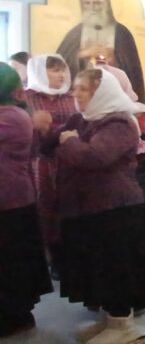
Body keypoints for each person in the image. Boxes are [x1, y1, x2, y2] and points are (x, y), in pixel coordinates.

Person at [44, 69, 145, 344]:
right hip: (89, 207)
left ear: (101, 92)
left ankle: (122, 324)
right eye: (76, 88)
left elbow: (94, 157)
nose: (75, 94)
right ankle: (109, 319)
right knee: (97, 266)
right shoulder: (82, 120)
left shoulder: (120, 122)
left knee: (114, 265)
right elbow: (50, 144)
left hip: (115, 208)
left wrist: (69, 141)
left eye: (83, 89)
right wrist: (60, 137)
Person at [98, 64, 145, 313]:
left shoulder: (139, 115)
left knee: (143, 244)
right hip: (126, 186)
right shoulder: (107, 115)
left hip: (140, 185)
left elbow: (140, 156)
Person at [0, 63, 51, 336]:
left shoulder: (14, 117)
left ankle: (15, 317)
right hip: (11, 199)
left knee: (12, 263)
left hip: (11, 201)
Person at [25, 55, 75, 270]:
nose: (61, 75)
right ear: (39, 72)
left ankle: (63, 258)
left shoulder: (71, 97)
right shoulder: (26, 98)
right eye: (55, 70)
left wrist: (56, 130)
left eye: (63, 70)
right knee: (42, 209)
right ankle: (44, 257)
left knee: (67, 208)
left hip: (67, 160)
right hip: (38, 162)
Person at [56, 0, 145, 102]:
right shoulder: (75, 33)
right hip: (80, 98)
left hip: (112, 98)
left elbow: (132, 70)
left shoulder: (121, 33)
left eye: (97, 3)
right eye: (87, 3)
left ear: (107, 5)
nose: (92, 8)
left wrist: (113, 58)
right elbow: (59, 64)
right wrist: (82, 54)